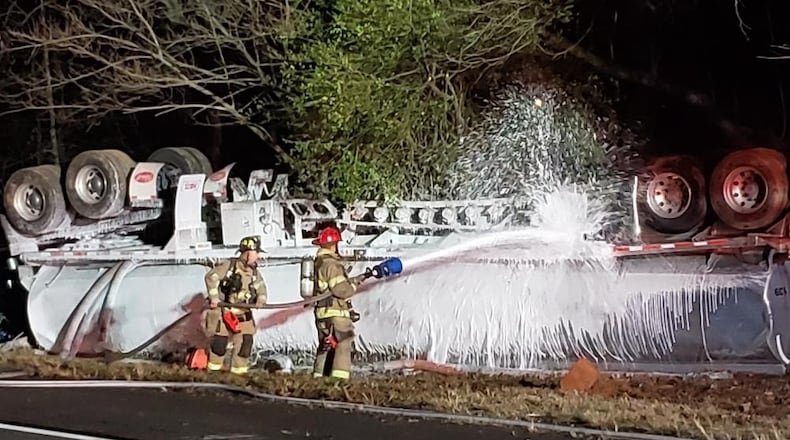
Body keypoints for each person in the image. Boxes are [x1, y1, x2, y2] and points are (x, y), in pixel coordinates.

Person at [204, 236, 267, 375]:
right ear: (247, 253)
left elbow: (261, 288)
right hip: (223, 311)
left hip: (243, 313)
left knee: (245, 343)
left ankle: (238, 375)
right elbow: (211, 277)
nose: (258, 256)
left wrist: (261, 300)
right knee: (219, 345)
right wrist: (214, 298)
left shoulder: (254, 273)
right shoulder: (229, 267)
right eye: (256, 252)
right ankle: (212, 374)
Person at [311, 226, 367, 380]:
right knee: (344, 343)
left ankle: (318, 379)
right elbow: (342, 291)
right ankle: (338, 381)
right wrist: (353, 286)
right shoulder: (331, 264)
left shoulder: (320, 262)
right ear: (335, 245)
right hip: (336, 313)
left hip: (323, 313)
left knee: (326, 347)